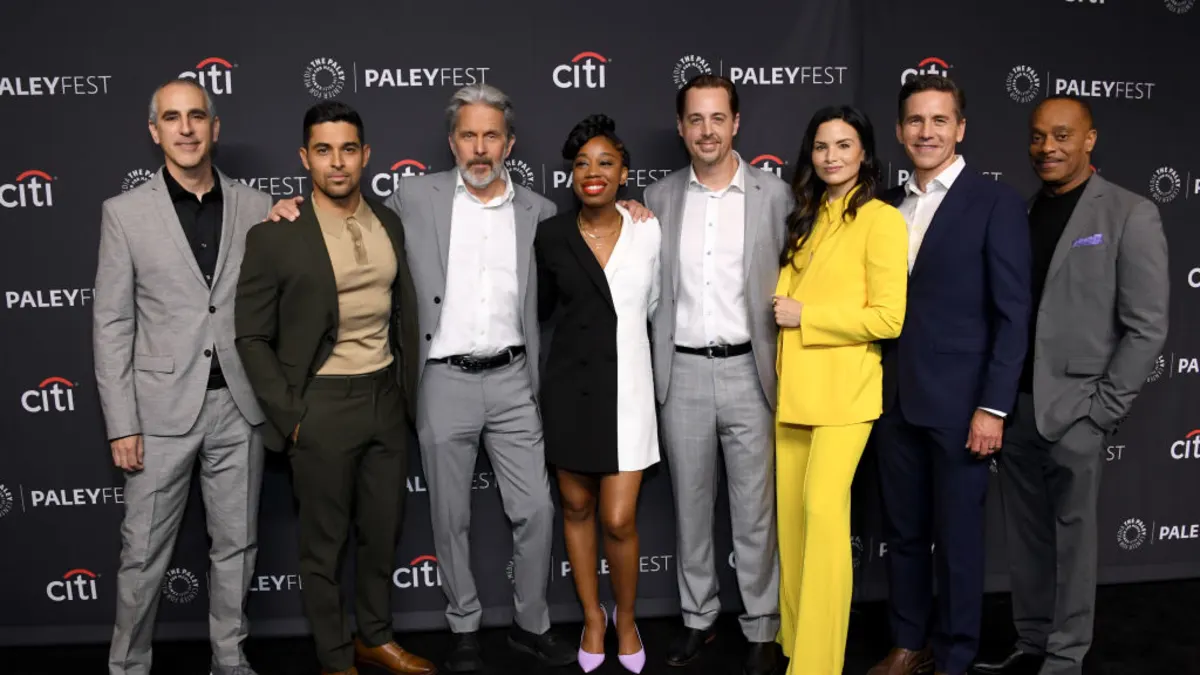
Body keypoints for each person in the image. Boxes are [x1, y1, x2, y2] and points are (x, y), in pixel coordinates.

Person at [265, 83, 654, 672]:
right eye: (468, 135)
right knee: (450, 516)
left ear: (509, 143)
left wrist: (635, 206)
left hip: (514, 379)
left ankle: (532, 623)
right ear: (452, 142)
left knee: (538, 511)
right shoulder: (411, 198)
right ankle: (464, 625)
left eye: (491, 135)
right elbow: (342, 213)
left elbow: (594, 252)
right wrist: (287, 209)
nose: (479, 148)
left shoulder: (541, 214)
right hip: (442, 380)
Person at [235, 101, 435, 675]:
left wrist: (400, 395)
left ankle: (375, 636)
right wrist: (291, 414)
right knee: (323, 547)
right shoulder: (276, 235)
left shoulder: (388, 222)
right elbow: (250, 334)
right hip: (320, 405)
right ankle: (334, 657)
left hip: (384, 399)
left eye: (348, 149)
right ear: (305, 158)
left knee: (381, 532)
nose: (337, 162)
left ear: (366, 155)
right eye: (323, 150)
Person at [971, 97, 1169, 675]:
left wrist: (1103, 410)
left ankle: (1065, 655)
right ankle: (1032, 642)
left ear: (1089, 140)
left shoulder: (1130, 214)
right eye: (1037, 137)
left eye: (1061, 136)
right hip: (1015, 408)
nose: (1047, 148)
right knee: (1026, 539)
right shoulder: (1023, 213)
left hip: (1078, 411)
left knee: (1074, 543)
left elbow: (1147, 326)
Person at [92, 79, 270, 675]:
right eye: (173, 118)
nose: (187, 128)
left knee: (237, 548)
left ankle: (229, 657)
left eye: (198, 116)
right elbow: (113, 324)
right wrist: (122, 423)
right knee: (142, 554)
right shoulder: (124, 214)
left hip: (239, 406)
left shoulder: (255, 204)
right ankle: (128, 665)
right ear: (155, 132)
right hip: (158, 411)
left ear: (215, 127)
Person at [867, 75, 1032, 675]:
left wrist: (994, 406)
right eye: (916, 121)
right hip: (892, 401)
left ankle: (957, 656)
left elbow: (1013, 314)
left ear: (960, 129)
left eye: (940, 120)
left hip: (965, 407)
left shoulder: (996, 202)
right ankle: (910, 643)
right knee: (905, 535)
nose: (927, 131)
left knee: (959, 542)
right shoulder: (883, 204)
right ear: (899, 131)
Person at [642, 74, 791, 675]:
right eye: (695, 120)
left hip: (749, 374)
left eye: (717, 118)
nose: (707, 130)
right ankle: (698, 619)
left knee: (756, 510)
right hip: (681, 372)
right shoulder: (655, 200)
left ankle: (760, 624)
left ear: (736, 123)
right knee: (691, 508)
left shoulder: (775, 195)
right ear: (681, 128)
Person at [772, 105, 908, 675]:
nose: (831, 156)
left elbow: (888, 318)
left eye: (844, 145)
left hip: (845, 395)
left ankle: (819, 663)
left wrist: (808, 315)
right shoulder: (807, 213)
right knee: (794, 524)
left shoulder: (881, 220)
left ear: (865, 155)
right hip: (794, 391)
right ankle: (794, 646)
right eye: (822, 146)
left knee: (824, 521)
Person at [535, 114, 661, 674]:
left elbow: (657, 306)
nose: (593, 172)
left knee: (617, 518)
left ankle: (626, 619)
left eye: (605, 162)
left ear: (624, 173)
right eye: (582, 163)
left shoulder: (648, 230)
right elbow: (540, 313)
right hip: (570, 390)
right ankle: (592, 617)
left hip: (630, 391)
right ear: (571, 176)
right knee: (577, 506)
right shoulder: (550, 235)